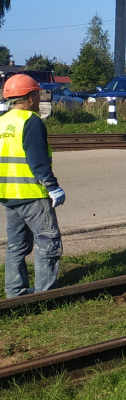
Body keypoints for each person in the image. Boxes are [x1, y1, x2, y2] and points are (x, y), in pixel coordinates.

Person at [1, 74, 65, 297]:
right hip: (32, 194)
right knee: (48, 242)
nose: (40, 98)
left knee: (16, 246)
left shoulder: (2, 122)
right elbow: (37, 160)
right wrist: (52, 186)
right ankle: (44, 295)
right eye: (38, 94)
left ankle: (15, 292)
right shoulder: (31, 121)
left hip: (8, 196)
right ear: (30, 97)